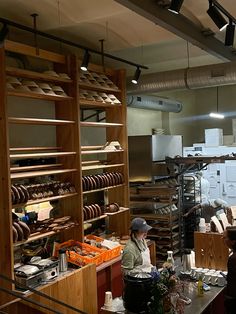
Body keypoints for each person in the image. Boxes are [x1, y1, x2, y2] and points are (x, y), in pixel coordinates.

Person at [222, 226, 236, 314]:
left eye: (225, 237)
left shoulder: (233, 259)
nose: (222, 238)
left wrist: (228, 299)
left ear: (233, 241)